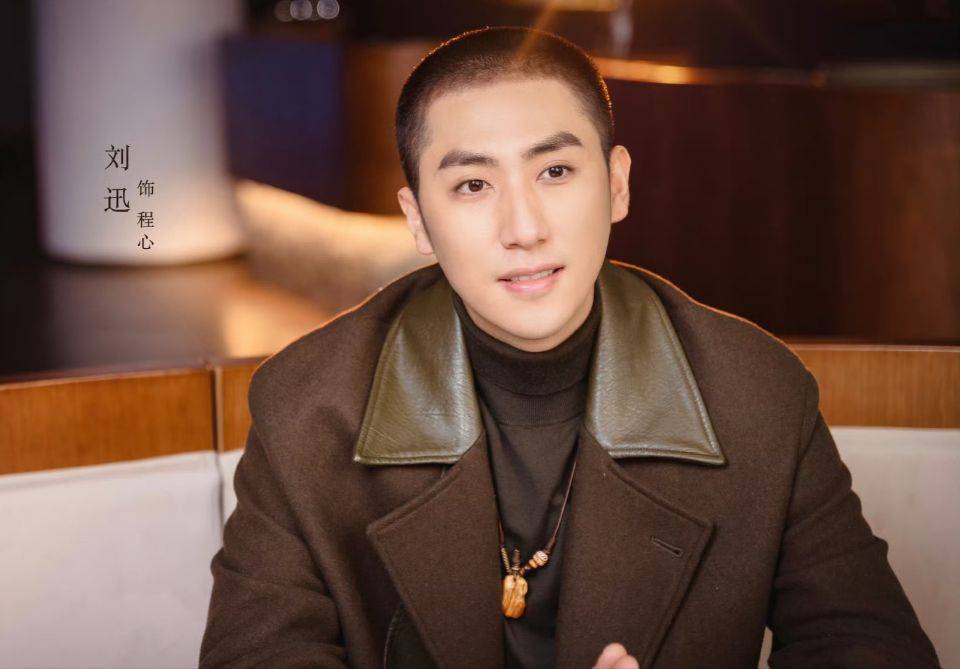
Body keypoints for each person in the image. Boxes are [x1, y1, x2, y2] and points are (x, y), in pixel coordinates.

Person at [199, 26, 940, 669]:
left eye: (555, 171)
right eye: (472, 185)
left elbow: (869, 646)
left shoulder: (756, 396)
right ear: (418, 219)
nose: (524, 228)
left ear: (616, 184)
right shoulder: (308, 408)